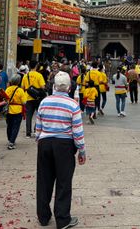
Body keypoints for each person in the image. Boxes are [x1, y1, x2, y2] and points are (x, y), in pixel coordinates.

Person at [35, 71, 85, 229]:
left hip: (45, 143)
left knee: (44, 180)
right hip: (64, 146)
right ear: (69, 87)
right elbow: (77, 131)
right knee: (63, 182)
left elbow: (38, 127)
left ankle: (43, 217)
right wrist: (81, 150)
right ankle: (62, 219)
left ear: (54, 86)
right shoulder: (73, 105)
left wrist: (40, 140)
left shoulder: (44, 102)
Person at [21, 60, 46, 138]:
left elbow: (22, 87)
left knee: (28, 116)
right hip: (38, 98)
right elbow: (43, 87)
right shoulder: (39, 75)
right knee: (39, 115)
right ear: (36, 66)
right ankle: (36, 130)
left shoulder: (25, 75)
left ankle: (28, 133)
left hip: (28, 98)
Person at [4, 74, 27, 150]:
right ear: (19, 81)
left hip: (9, 110)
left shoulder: (8, 89)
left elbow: (5, 99)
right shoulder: (20, 90)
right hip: (18, 110)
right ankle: (12, 142)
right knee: (16, 127)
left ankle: (10, 139)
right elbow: (24, 102)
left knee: (9, 125)